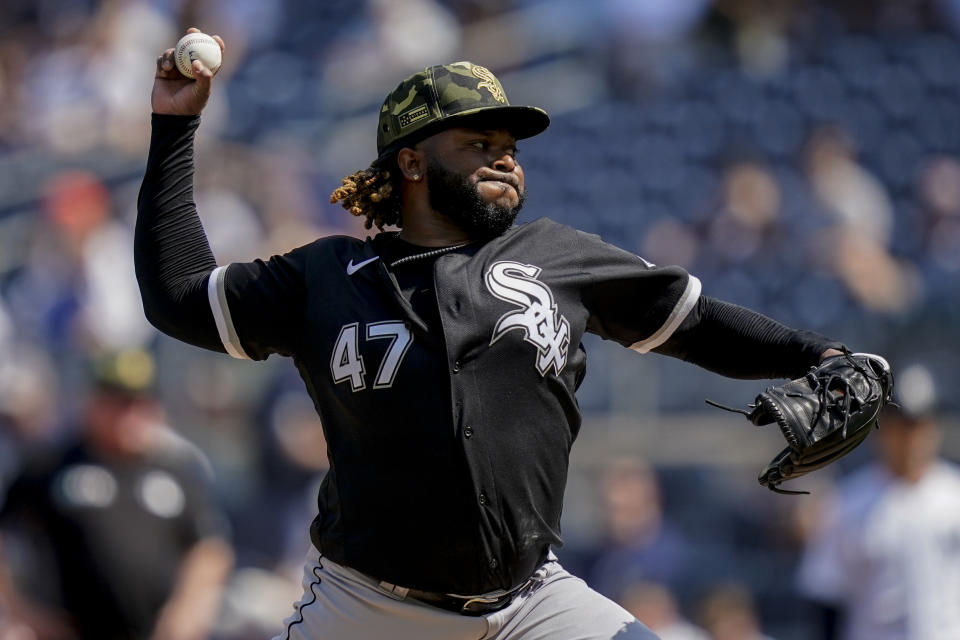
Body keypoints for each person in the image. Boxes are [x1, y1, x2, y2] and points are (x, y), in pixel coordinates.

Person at [137, 28, 863, 640]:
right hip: (369, 608)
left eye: (510, 144)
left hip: (531, 603)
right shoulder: (326, 275)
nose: (506, 155)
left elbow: (697, 323)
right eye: (478, 141)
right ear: (411, 161)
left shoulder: (558, 256)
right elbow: (177, 296)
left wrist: (818, 355)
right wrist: (175, 128)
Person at [0, 349, 234, 640]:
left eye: (137, 402)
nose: (128, 414)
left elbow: (208, 548)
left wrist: (187, 611)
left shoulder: (177, 469)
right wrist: (24, 611)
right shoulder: (51, 467)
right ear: (93, 402)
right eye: (116, 402)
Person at [795, 364, 960, 640]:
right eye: (900, 426)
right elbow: (826, 595)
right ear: (880, 428)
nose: (910, 438)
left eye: (918, 426)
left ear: (933, 428)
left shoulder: (955, 496)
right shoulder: (847, 504)